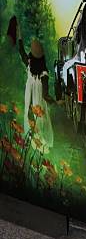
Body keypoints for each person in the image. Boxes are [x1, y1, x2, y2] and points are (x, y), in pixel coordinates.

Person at [16, 21, 54, 152]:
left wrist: (19, 35)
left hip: (30, 96)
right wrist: (54, 102)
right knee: (40, 120)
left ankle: (32, 142)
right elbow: (45, 94)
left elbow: (21, 51)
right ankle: (38, 144)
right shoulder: (44, 73)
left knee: (30, 116)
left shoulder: (29, 64)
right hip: (38, 100)